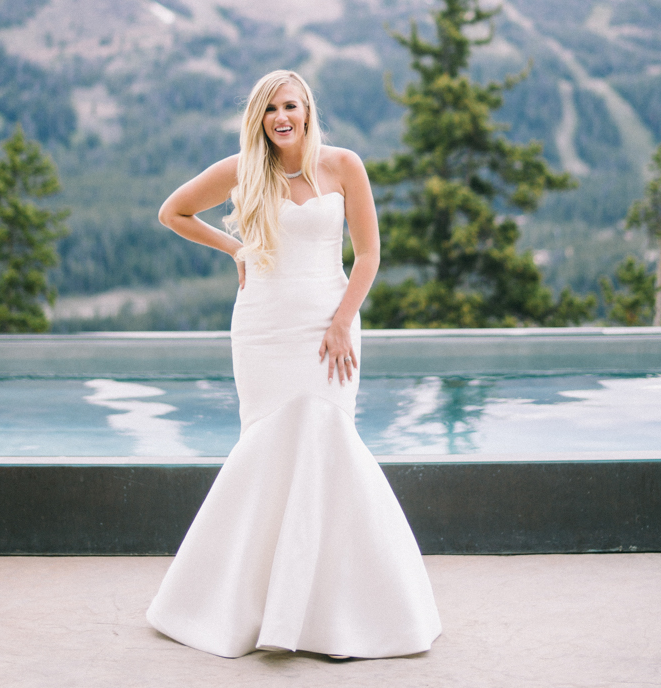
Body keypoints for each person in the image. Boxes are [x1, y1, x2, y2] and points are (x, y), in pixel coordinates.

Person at [146, 69, 441, 659]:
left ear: (307, 109)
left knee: (329, 442)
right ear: (259, 118)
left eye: (290, 106)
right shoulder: (241, 170)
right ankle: (245, 608)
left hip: (328, 322)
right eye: (270, 110)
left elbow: (369, 255)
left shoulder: (343, 165)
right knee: (268, 452)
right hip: (263, 328)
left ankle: (340, 614)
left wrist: (340, 322)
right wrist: (236, 248)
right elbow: (172, 212)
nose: (281, 117)